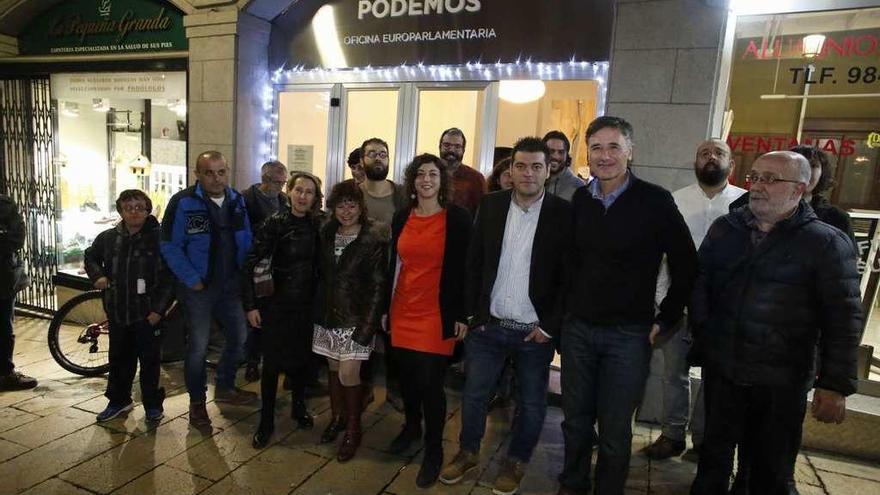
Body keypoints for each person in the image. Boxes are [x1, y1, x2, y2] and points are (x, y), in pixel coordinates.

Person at [689, 151, 862, 494]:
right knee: (712, 461)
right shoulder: (726, 228)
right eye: (755, 177)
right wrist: (707, 338)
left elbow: (843, 319)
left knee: (769, 471)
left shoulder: (826, 243)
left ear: (799, 189)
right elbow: (700, 287)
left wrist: (835, 383)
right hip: (725, 371)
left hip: (781, 381)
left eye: (771, 179)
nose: (758, 187)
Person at [558, 116, 697, 495]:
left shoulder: (655, 200)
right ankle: (572, 485)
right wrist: (565, 315)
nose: (604, 156)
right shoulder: (580, 200)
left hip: (628, 336)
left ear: (630, 152)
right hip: (579, 332)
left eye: (614, 146)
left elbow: (687, 263)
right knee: (575, 422)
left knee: (616, 430)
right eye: (597, 147)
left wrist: (667, 317)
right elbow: (568, 263)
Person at [440, 137, 571, 495]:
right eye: (521, 166)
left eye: (536, 166)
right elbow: (474, 262)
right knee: (474, 396)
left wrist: (550, 326)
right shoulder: (491, 205)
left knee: (531, 403)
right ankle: (467, 452)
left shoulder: (563, 213)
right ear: (509, 170)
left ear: (548, 171)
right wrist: (470, 314)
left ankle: (516, 460)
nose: (528, 173)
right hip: (488, 327)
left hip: (534, 332)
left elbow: (568, 277)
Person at [643, 139, 746, 461]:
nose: (711, 158)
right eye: (704, 153)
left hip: (723, 310)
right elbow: (662, 257)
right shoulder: (677, 200)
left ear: (732, 163)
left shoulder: (745, 202)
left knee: (714, 378)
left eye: (719, 153)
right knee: (674, 373)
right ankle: (672, 435)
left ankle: (705, 440)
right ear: (695, 162)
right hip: (679, 304)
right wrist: (662, 300)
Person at [385, 153, 471, 488]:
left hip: (438, 314)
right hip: (402, 309)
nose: (426, 180)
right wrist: (383, 308)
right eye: (420, 174)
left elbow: (467, 269)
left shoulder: (457, 219)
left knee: (430, 384)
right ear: (412, 181)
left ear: (442, 180)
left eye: (433, 174)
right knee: (406, 378)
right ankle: (410, 427)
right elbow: (394, 263)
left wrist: (463, 314)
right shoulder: (401, 216)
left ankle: (434, 450)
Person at [160, 151, 256, 429]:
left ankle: (225, 387)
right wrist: (192, 278)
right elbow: (169, 244)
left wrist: (246, 275)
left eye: (221, 172)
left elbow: (246, 239)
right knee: (198, 348)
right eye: (209, 172)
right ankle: (197, 403)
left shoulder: (237, 200)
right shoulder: (183, 202)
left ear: (228, 172)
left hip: (230, 286)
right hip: (197, 288)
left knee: (239, 337)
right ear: (198, 174)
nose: (216, 178)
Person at [243, 172, 323, 449]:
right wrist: (251, 305)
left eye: (309, 192)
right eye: (298, 190)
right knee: (272, 365)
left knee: (302, 361)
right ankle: (266, 420)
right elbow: (251, 263)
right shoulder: (274, 224)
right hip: (276, 304)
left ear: (315, 197)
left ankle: (298, 407)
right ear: (288, 192)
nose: (303, 196)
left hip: (307, 305)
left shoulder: (319, 224)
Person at [312, 180, 388, 462]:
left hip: (357, 319)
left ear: (361, 207)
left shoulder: (373, 238)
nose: (346, 211)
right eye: (340, 205)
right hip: (329, 316)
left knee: (348, 374)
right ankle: (337, 418)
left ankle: (353, 430)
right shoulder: (327, 233)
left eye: (352, 205)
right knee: (333, 369)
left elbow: (378, 286)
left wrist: (368, 328)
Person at [84, 190, 175, 423]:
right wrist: (97, 276)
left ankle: (152, 404)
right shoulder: (107, 238)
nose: (134, 211)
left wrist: (158, 310)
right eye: (128, 207)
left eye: (139, 207)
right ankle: (118, 400)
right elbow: (91, 257)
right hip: (117, 311)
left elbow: (169, 277)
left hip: (147, 314)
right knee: (119, 359)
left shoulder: (161, 239)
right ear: (121, 211)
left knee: (150, 362)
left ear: (148, 210)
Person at [355, 137, 405, 411]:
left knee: (393, 336)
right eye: (372, 153)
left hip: (395, 277)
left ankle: (395, 389)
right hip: (362, 279)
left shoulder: (401, 194)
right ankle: (364, 389)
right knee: (364, 334)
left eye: (383, 153)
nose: (378, 158)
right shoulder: (352, 193)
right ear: (362, 160)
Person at [241, 160, 290, 383]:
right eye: (278, 182)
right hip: (255, 263)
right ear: (265, 179)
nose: (281, 186)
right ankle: (251, 362)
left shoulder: (282, 200)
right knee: (254, 319)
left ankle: (271, 358)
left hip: (275, 266)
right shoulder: (246, 199)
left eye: (283, 182)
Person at [0, 194, 36, 391]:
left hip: (3, 278)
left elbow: (16, 238)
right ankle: (5, 374)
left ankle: (5, 372)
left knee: (4, 325)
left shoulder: (4, 205)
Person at [440, 127, 487, 216]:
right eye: (447, 145)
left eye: (457, 146)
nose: (451, 150)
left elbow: (483, 212)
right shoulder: (429, 175)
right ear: (440, 147)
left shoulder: (476, 178)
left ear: (463, 150)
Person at [543, 130, 585, 201]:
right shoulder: (533, 179)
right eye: (551, 151)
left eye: (561, 152)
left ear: (567, 156)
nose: (555, 156)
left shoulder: (578, 186)